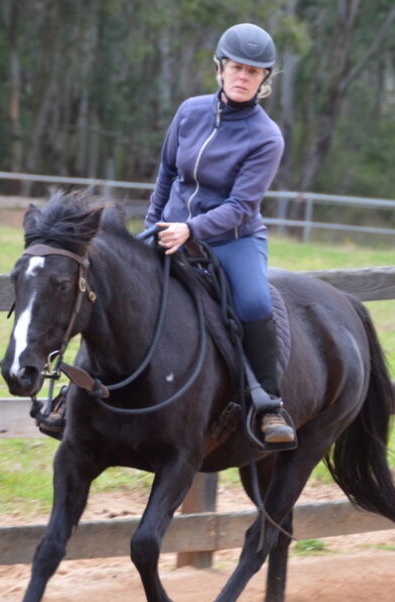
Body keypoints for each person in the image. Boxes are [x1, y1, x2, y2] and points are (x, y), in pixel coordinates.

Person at [145, 22, 296, 446]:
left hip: (233, 239)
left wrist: (189, 229)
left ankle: (268, 402)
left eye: (253, 71)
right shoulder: (189, 111)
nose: (243, 77)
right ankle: (74, 393)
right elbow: (167, 173)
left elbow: (240, 207)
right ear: (219, 68)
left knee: (254, 301)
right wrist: (151, 224)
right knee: (114, 279)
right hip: (170, 227)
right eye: (236, 67)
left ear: (264, 79)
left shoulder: (267, 137)